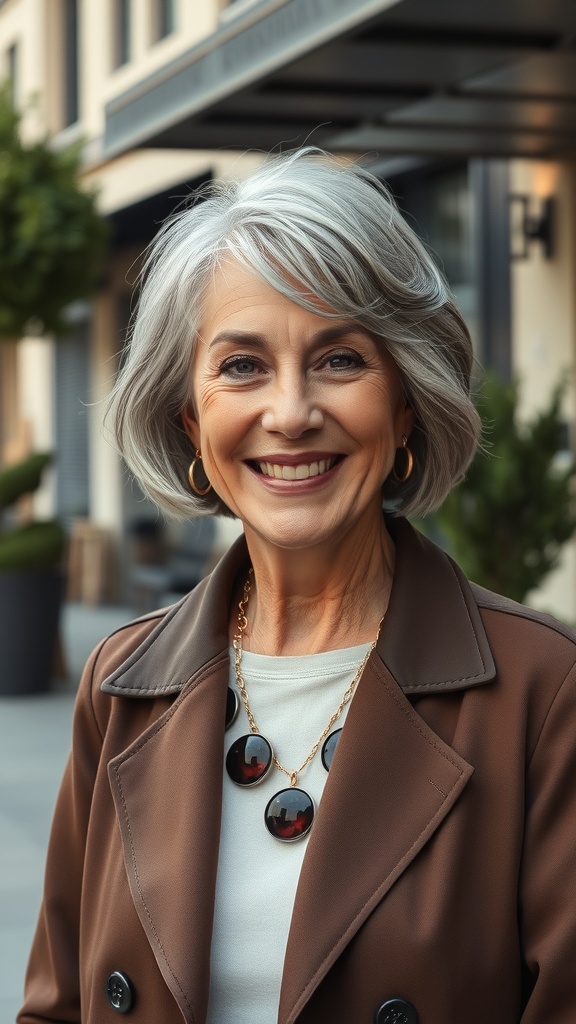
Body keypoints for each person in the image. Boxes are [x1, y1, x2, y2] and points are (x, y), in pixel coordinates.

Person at [18, 149, 576, 1024]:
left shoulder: (545, 694)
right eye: (241, 366)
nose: (289, 412)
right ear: (192, 421)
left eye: (341, 360)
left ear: (406, 407)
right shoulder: (120, 685)